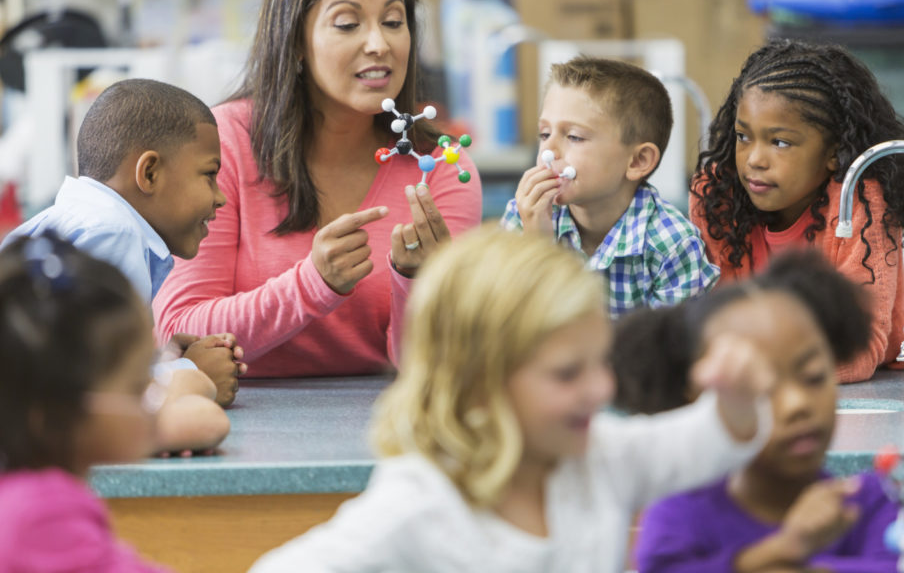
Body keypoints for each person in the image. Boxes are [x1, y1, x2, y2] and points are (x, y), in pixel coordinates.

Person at [247, 227, 773, 572]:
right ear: (480, 381)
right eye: (567, 374)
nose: (601, 390)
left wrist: (738, 397)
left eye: (600, 363)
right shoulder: (421, 504)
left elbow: (710, 442)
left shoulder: (599, 458)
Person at [153, 0, 482, 378]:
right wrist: (313, 285)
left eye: (393, 21)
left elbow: (436, 366)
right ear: (296, 43)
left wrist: (416, 280)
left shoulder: (440, 167)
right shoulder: (223, 144)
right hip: (236, 418)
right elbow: (178, 334)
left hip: (383, 423)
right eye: (348, 24)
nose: (379, 44)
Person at [617, 249, 899, 572]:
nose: (797, 405)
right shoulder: (677, 516)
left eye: (813, 377)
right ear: (698, 403)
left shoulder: (873, 502)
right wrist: (788, 546)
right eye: (759, 389)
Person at [3, 78, 245, 409]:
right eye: (209, 174)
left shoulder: (79, 220)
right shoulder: (115, 232)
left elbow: (74, 352)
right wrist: (192, 373)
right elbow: (96, 391)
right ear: (149, 173)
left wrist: (162, 358)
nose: (220, 198)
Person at [0, 234, 229, 571]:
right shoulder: (40, 514)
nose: (155, 395)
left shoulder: (34, 492)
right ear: (54, 416)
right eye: (138, 387)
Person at [690, 38, 904, 383]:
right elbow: (719, 321)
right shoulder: (717, 195)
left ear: (835, 152)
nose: (754, 160)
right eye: (744, 136)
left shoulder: (860, 199)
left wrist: (752, 368)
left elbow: (861, 347)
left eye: (780, 142)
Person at [500, 56, 718, 318]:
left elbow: (671, 352)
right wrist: (536, 249)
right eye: (545, 134)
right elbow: (506, 333)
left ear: (638, 161)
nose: (548, 151)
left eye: (574, 137)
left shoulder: (673, 245)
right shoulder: (524, 216)